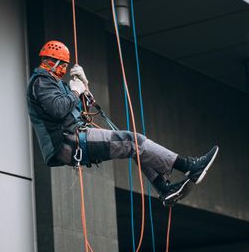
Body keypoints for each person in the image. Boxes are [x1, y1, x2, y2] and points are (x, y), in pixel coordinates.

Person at [27, 40, 219, 205]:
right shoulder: (41, 82)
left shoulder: (53, 83)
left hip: (74, 139)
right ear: (53, 63)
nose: (64, 70)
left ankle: (164, 188)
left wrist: (84, 86)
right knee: (133, 141)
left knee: (134, 147)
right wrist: (75, 90)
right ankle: (188, 166)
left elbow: (78, 107)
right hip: (70, 141)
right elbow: (59, 109)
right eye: (62, 65)